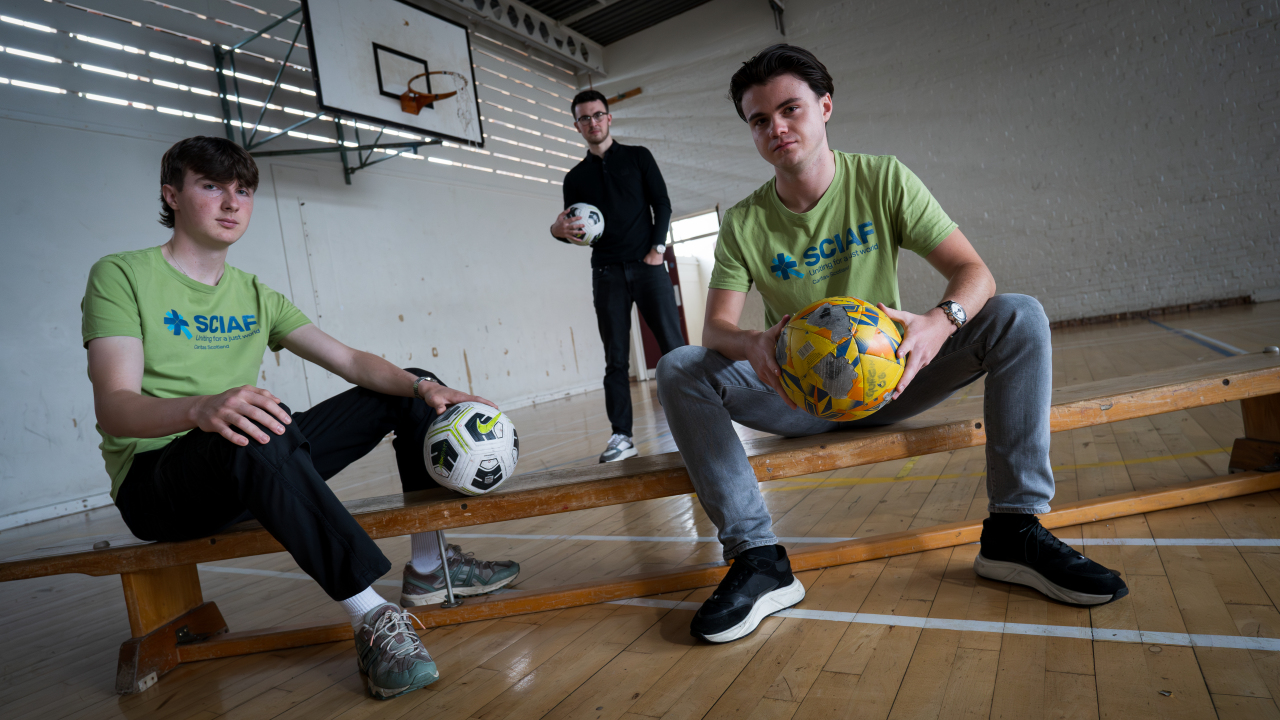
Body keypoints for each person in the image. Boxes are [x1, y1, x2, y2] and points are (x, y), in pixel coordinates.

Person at [656, 45, 1129, 644]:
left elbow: (974, 272)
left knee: (1020, 316)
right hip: (797, 398)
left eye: (790, 109)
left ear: (825, 107)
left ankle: (1015, 530)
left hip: (897, 378)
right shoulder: (747, 222)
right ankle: (758, 561)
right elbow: (715, 331)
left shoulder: (881, 178)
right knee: (680, 367)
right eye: (758, 119)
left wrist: (939, 321)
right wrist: (752, 341)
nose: (776, 127)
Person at [82, 136, 519, 700]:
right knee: (255, 419)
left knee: (404, 388)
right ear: (172, 195)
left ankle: (432, 567)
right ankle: (370, 616)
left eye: (242, 190)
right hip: (158, 485)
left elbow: (352, 362)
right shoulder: (121, 274)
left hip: (245, 458)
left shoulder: (254, 294)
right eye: (210, 186)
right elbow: (114, 406)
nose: (231, 202)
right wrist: (200, 409)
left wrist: (425, 386)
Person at [549, 90, 687, 463]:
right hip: (606, 273)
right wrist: (555, 231)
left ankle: (694, 422)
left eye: (597, 115)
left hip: (648, 267)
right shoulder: (575, 178)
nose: (592, 122)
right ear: (576, 126)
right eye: (584, 118)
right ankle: (622, 436)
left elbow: (662, 203)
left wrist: (657, 251)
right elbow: (571, 229)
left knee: (674, 351)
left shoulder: (639, 157)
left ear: (609, 118)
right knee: (615, 360)